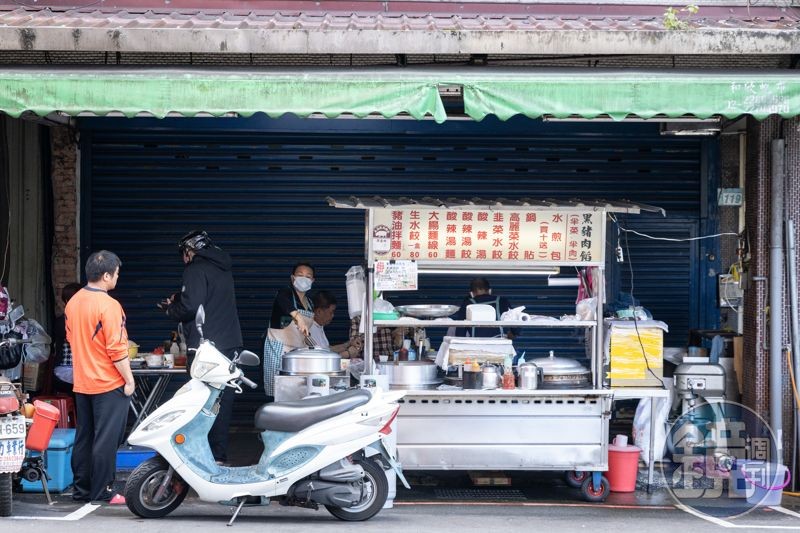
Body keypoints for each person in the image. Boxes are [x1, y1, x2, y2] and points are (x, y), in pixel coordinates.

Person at [162, 230, 243, 464]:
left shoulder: (195, 269)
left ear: (190, 251)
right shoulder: (223, 268)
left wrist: (171, 308)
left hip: (207, 347)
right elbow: (210, 301)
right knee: (221, 400)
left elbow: (191, 307)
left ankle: (201, 457)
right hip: (229, 343)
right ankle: (217, 455)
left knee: (200, 400)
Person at [66, 251, 133, 504]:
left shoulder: (73, 302)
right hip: (108, 382)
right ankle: (103, 490)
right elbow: (116, 348)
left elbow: (72, 339)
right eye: (116, 274)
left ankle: (81, 489)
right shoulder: (109, 305)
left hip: (82, 381)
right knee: (106, 439)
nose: (117, 278)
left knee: (84, 436)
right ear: (106, 275)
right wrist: (129, 379)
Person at [454, 277, 518, 339]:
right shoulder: (502, 301)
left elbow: (460, 331)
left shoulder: (467, 304)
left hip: (476, 345)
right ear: (490, 290)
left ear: (472, 293)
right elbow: (515, 323)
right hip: (499, 345)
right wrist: (512, 334)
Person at [52, 282, 83, 395]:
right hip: (65, 369)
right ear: (66, 302)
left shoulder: (85, 319)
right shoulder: (62, 322)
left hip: (81, 370)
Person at [270, 262, 315, 337]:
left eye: (308, 277)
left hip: (298, 346)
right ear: (292, 278)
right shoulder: (285, 293)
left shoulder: (310, 303)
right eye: (300, 275)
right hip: (278, 345)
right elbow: (283, 301)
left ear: (312, 281)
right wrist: (298, 317)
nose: (304, 279)